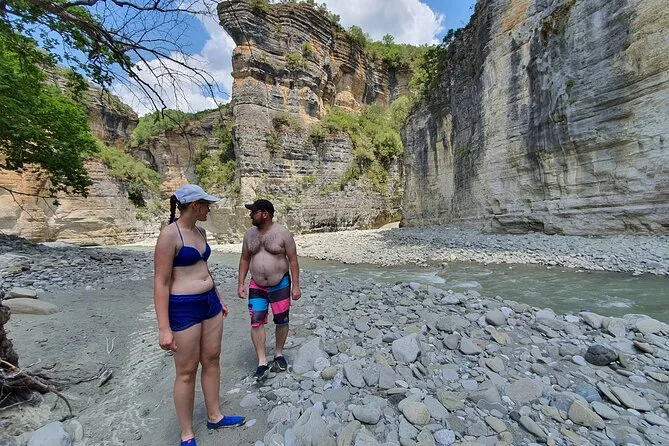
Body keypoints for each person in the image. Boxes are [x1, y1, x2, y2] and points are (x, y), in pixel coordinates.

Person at [153, 184, 245, 446]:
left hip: (209, 303)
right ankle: (187, 434)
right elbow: (161, 282)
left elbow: (204, 268)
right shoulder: (169, 236)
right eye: (206, 205)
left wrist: (219, 297)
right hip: (183, 307)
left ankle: (215, 416)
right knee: (186, 370)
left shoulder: (200, 232)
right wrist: (164, 328)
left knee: (212, 358)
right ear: (194, 206)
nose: (209, 210)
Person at [237, 199, 301, 380]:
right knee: (256, 321)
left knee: (281, 320)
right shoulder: (249, 235)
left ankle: (279, 353)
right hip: (256, 285)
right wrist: (241, 283)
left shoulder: (283, 234)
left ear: (265, 214)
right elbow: (244, 259)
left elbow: (293, 261)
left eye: (254, 212)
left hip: (280, 283)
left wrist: (296, 286)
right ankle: (262, 361)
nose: (250, 215)